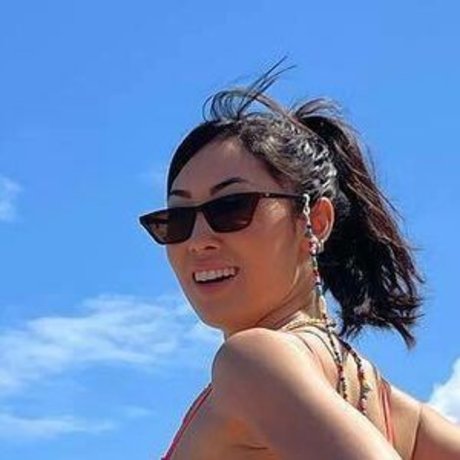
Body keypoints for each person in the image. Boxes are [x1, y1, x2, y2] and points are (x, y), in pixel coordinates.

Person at [139, 64, 460, 459]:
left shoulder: (252, 361)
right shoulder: (388, 405)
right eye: (178, 219)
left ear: (316, 221)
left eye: (232, 207)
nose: (198, 240)